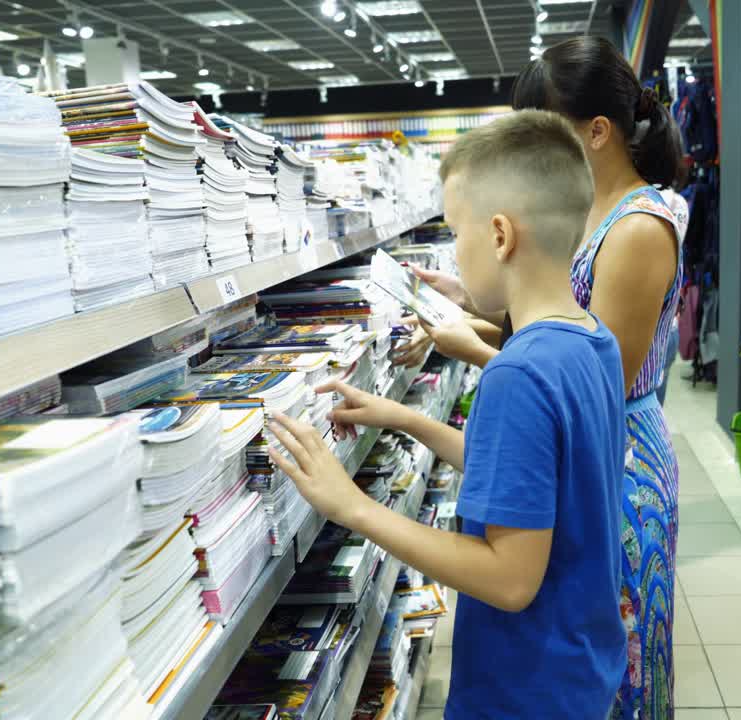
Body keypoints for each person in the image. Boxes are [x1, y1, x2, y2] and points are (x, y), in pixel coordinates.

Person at [268, 110, 628, 719]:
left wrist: (351, 505)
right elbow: (533, 477)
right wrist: (406, 419)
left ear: (499, 235)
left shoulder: (518, 372)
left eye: (455, 233)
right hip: (580, 665)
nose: (454, 254)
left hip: (522, 689)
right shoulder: (592, 339)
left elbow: (510, 580)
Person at [395, 36, 687, 720]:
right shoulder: (586, 218)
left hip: (618, 454)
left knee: (609, 658)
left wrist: (472, 343)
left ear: (597, 130)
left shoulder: (638, 227)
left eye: (545, 125)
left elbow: (582, 373)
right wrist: (471, 296)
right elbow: (555, 322)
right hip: (585, 433)